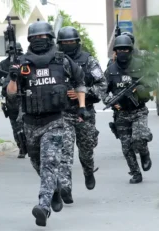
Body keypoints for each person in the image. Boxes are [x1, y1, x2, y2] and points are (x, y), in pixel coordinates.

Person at [7, 20, 87, 227]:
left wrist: (81, 106)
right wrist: (14, 77)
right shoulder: (23, 63)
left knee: (50, 164)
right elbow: (11, 94)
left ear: (50, 39)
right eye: (34, 38)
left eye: (42, 37)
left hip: (55, 121)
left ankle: (43, 207)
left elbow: (80, 82)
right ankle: (55, 191)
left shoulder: (63, 61)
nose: (38, 41)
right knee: (37, 163)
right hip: (30, 123)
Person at [56, 26, 106, 200]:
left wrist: (82, 94)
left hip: (85, 112)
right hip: (63, 114)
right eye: (64, 43)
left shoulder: (88, 61)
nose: (68, 45)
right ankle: (65, 187)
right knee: (65, 152)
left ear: (77, 42)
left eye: (71, 42)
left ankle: (88, 170)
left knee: (86, 149)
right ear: (59, 44)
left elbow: (102, 85)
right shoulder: (54, 61)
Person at [103, 35, 157, 184]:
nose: (122, 52)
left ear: (131, 50)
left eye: (125, 49)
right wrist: (111, 102)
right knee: (126, 147)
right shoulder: (110, 70)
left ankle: (145, 154)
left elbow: (154, 81)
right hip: (121, 114)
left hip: (138, 110)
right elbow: (102, 89)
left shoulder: (141, 65)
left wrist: (143, 88)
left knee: (139, 139)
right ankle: (135, 173)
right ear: (115, 51)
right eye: (119, 49)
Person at [0, 42, 26, 158]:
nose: (15, 55)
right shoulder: (4, 64)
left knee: (25, 122)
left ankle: (29, 145)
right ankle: (21, 147)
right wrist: (6, 83)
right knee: (15, 124)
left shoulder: (26, 61)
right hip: (11, 99)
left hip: (25, 97)